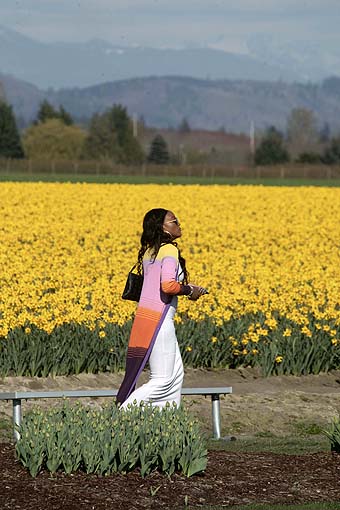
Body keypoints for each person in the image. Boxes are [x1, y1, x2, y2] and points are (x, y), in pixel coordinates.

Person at [116, 208, 207, 409]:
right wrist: (190, 290)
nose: (179, 224)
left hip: (145, 318)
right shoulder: (169, 250)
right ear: (162, 228)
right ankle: (122, 413)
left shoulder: (151, 251)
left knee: (175, 376)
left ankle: (164, 424)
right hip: (159, 321)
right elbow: (168, 286)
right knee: (164, 379)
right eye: (174, 221)